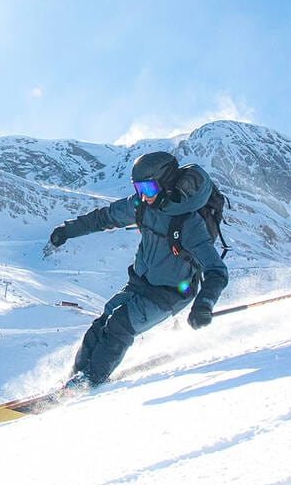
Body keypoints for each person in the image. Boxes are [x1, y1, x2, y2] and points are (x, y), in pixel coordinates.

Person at [48, 151, 229, 388]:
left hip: (170, 293)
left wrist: (204, 304)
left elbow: (217, 271)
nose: (144, 196)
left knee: (119, 325)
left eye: (149, 189)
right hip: (140, 283)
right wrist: (67, 230)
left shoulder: (188, 223)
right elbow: (104, 218)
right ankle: (75, 377)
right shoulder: (142, 206)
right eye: (139, 189)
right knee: (101, 323)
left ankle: (89, 382)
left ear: (165, 184)